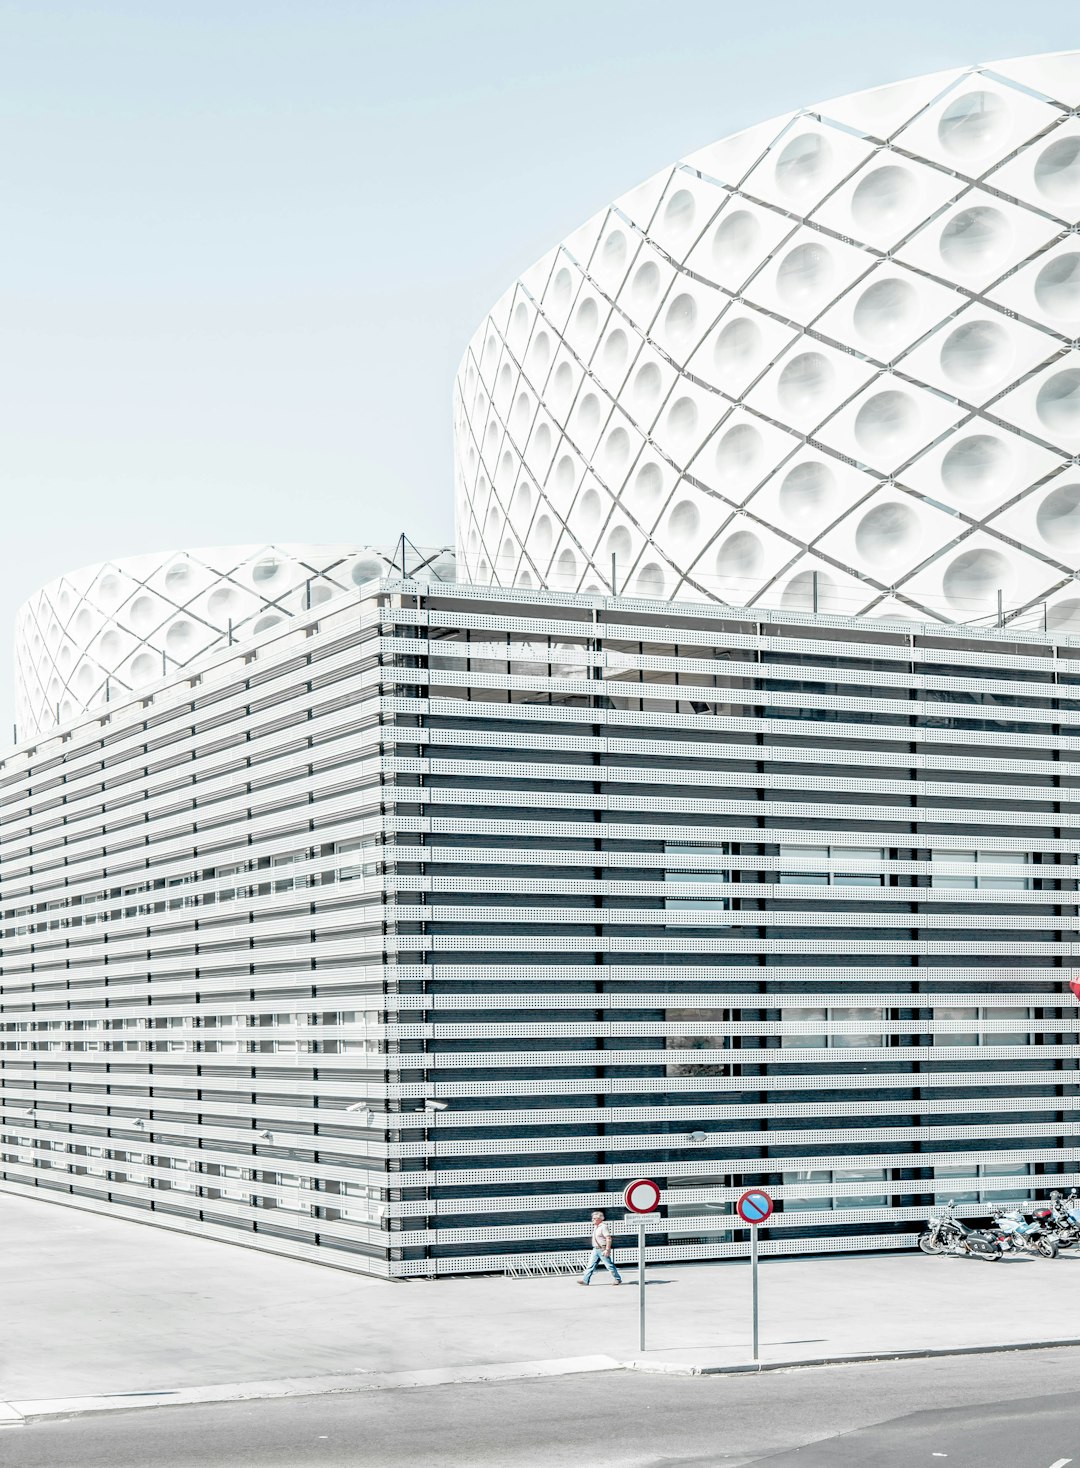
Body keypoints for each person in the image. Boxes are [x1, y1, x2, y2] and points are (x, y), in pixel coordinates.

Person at [578, 1210, 622, 1285]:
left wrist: (607, 1250)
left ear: (600, 1219)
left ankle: (617, 1279)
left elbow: (608, 1238)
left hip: (602, 1249)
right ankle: (585, 1280)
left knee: (609, 1266)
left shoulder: (603, 1227)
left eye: (594, 1218)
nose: (592, 1220)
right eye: (592, 1218)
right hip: (595, 1249)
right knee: (590, 1266)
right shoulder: (596, 1227)